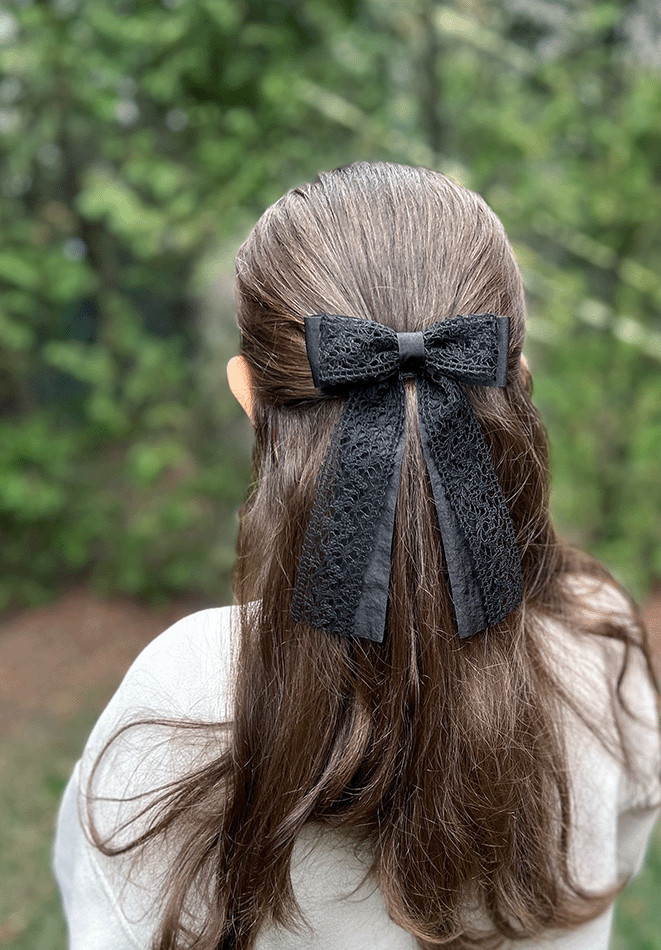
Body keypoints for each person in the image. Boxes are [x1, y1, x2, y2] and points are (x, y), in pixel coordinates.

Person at [53, 162, 660, 950]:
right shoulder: (598, 640)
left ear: (249, 392)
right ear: (518, 376)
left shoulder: (185, 693)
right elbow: (621, 848)